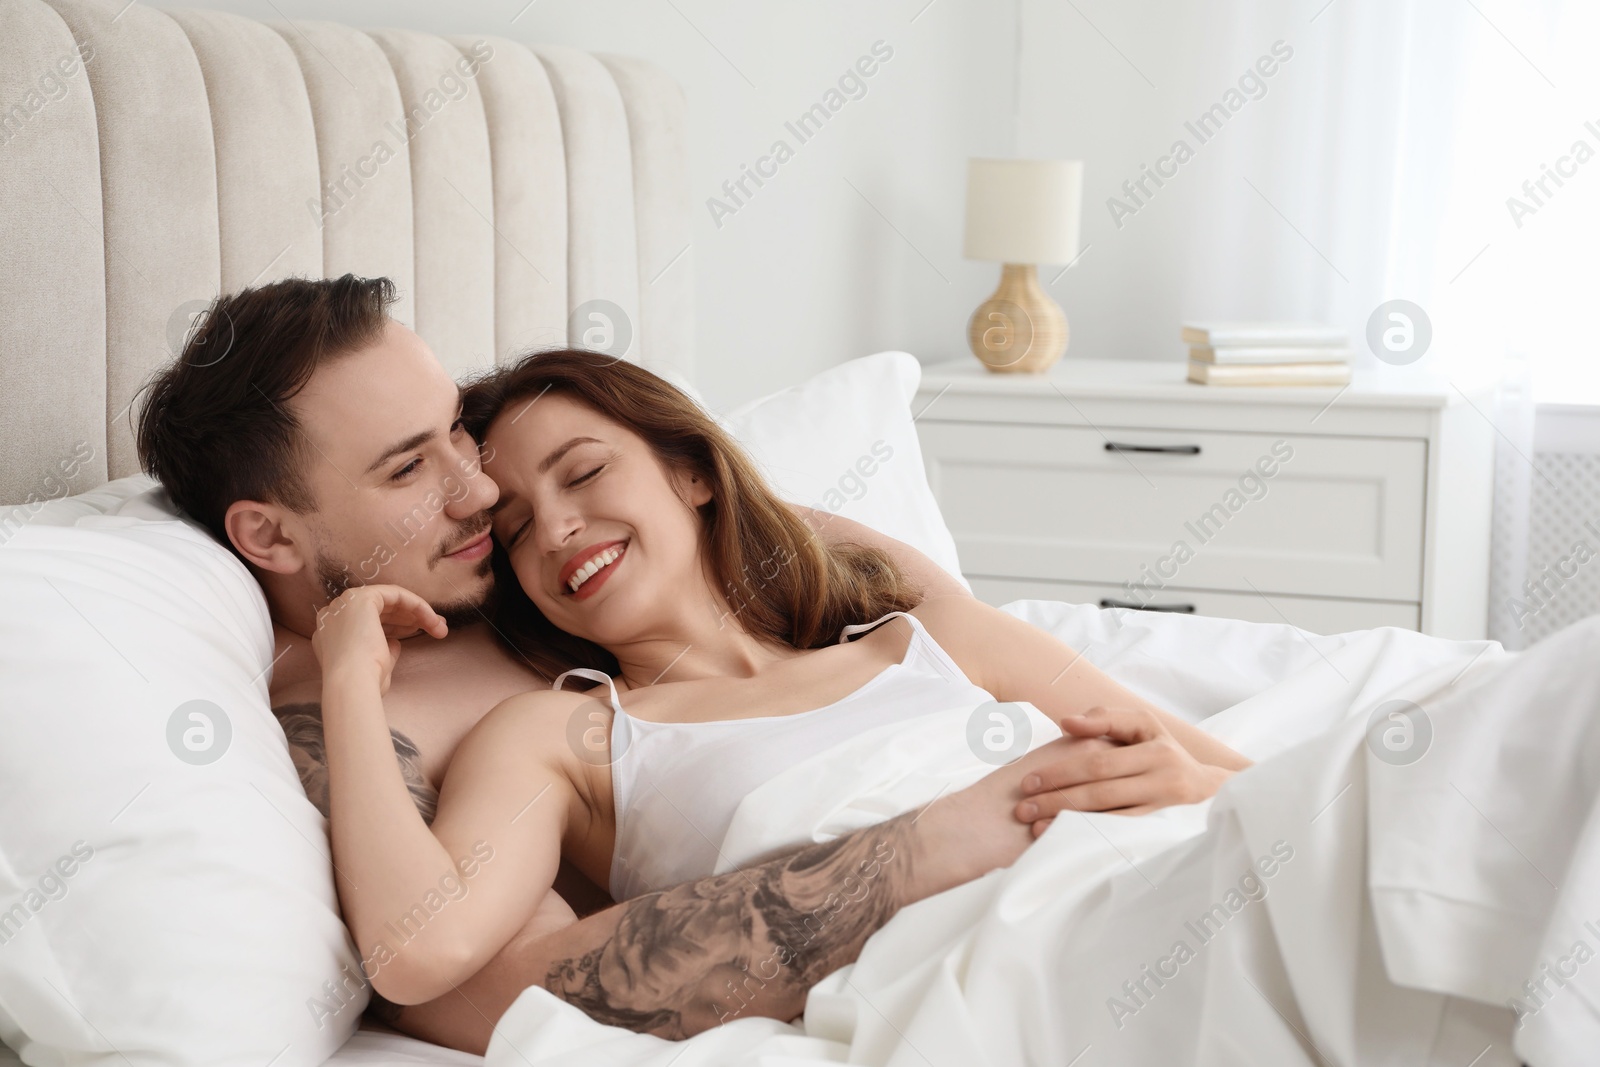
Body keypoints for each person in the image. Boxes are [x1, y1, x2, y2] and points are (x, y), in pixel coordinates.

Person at [133, 274, 1170, 1051]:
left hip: (1133, 858)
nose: (482, 491)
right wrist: (924, 848)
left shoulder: (813, 576)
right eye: (411, 464)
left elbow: (1117, 728)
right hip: (1015, 940)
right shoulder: (434, 712)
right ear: (269, 537)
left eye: (458, 429)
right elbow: (464, 978)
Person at [305, 347, 1253, 1035]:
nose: (555, 527)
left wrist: (1186, 787)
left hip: (1169, 875)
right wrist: (347, 674)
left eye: (585, 471)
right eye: (513, 528)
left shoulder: (922, 634)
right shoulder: (564, 732)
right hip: (1002, 971)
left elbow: (1246, 784)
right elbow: (416, 952)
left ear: (691, 472)